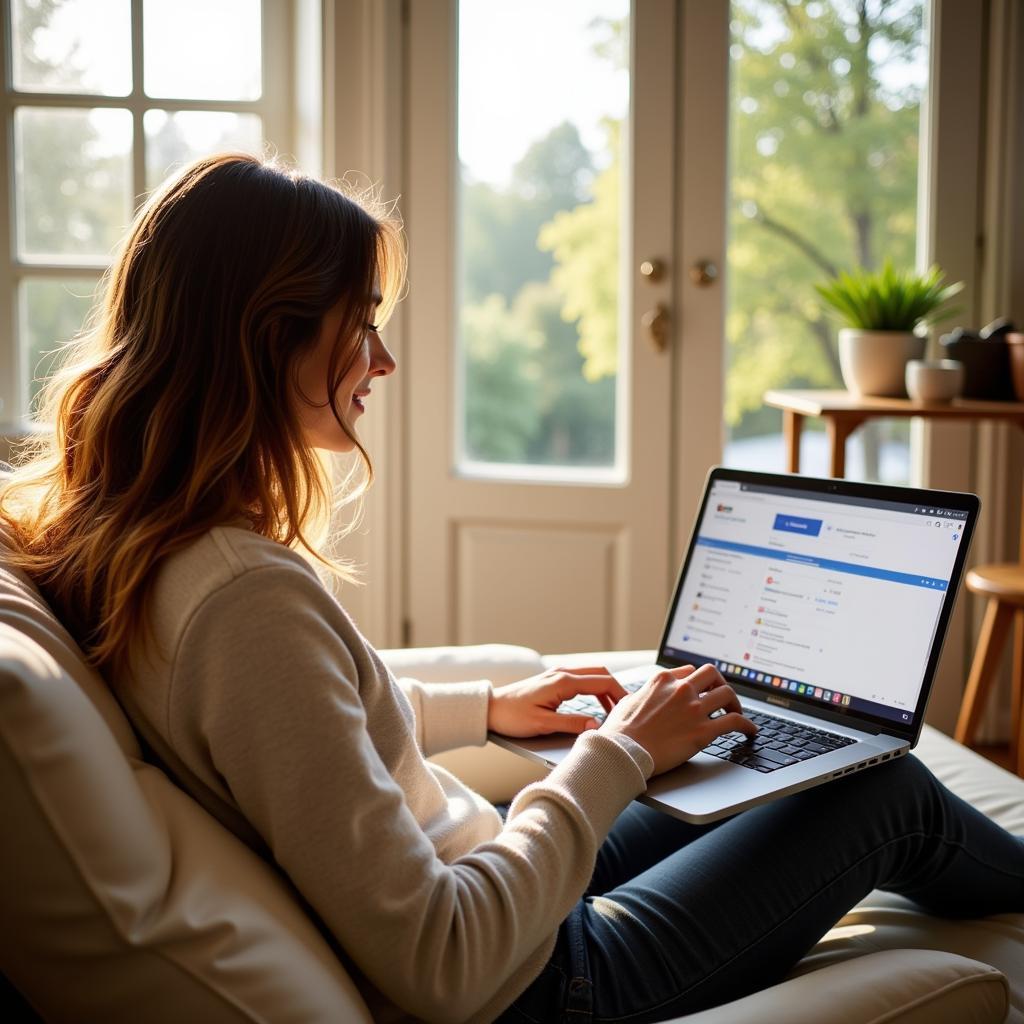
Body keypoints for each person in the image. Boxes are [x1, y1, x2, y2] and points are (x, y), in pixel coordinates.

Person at [1, 154, 1021, 1024]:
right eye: (360, 324)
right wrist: (618, 754)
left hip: (495, 881)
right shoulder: (242, 601)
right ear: (268, 338)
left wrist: (482, 709)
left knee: (766, 765)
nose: (383, 359)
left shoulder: (127, 535)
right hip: (540, 977)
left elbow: (289, 739)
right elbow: (446, 965)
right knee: (880, 787)